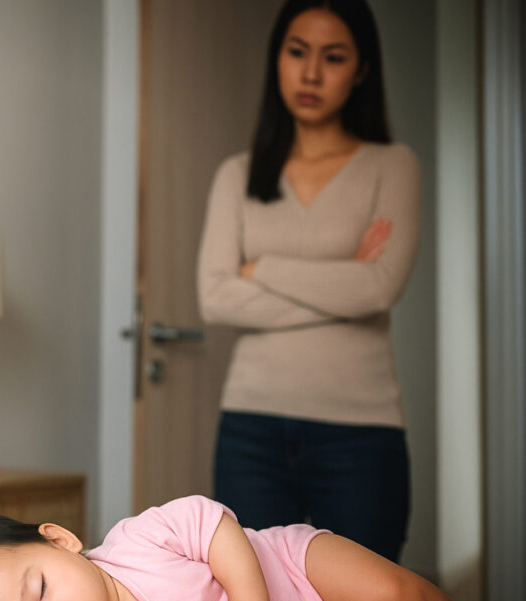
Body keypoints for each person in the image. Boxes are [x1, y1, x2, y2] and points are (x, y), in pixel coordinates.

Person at [196, 0, 420, 562]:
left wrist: (263, 269)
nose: (312, 73)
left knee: (369, 591)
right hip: (251, 429)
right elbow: (216, 298)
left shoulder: (392, 165)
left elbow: (381, 288)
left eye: (334, 57)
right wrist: (346, 283)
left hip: (361, 431)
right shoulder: (237, 174)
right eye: (297, 52)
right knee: (254, 589)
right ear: (278, 59)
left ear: (361, 69)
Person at [0, 496, 451, 601]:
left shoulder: (132, 542)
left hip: (290, 565)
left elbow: (212, 523)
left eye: (41, 590)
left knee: (400, 593)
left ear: (60, 540)